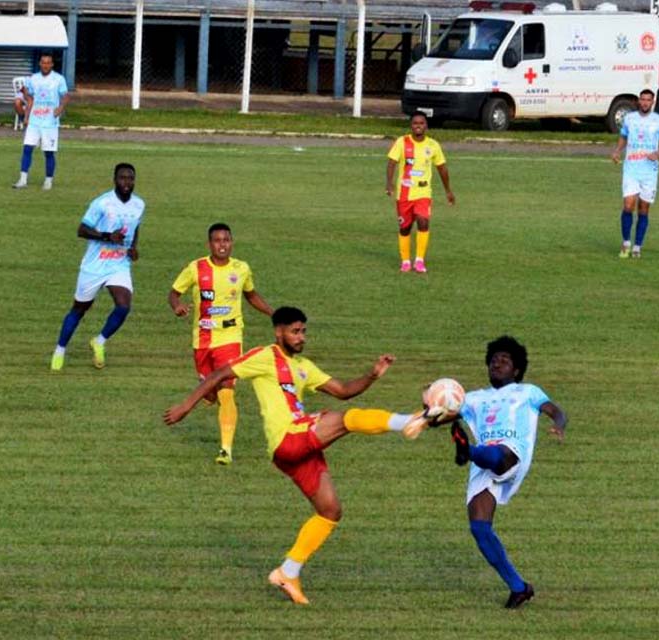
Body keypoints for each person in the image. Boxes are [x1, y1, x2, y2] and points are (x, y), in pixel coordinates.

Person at [164, 306, 433, 605]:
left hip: (299, 448)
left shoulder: (304, 365)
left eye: (303, 331)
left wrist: (372, 375)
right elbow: (219, 373)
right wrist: (186, 406)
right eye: (295, 331)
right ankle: (408, 420)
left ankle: (287, 572)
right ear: (278, 332)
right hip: (288, 438)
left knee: (330, 511)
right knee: (345, 419)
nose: (301, 337)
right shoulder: (264, 356)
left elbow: (342, 390)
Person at [449, 336, 567, 609]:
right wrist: (431, 405)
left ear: (516, 369)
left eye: (504, 359)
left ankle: (468, 451)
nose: (497, 363)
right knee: (479, 528)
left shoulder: (528, 391)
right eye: (493, 359)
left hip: (512, 451)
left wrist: (560, 425)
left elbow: (556, 412)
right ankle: (519, 587)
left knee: (497, 454)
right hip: (483, 463)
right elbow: (443, 413)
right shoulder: (474, 398)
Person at [168, 223, 273, 465]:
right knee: (210, 392)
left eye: (226, 240)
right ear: (209, 244)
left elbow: (251, 295)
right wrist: (177, 306)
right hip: (203, 339)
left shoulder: (242, 268)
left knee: (227, 391)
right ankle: (208, 391)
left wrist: (273, 313)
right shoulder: (196, 268)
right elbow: (173, 293)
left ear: (232, 242)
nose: (222, 244)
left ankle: (226, 449)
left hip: (231, 338)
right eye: (217, 240)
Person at [50, 164, 144, 371]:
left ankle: (99, 341)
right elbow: (81, 230)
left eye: (130, 178)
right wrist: (107, 237)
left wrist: (134, 248)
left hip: (119, 264)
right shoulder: (102, 203)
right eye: (122, 178)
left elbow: (136, 226)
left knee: (124, 305)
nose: (126, 183)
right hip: (94, 265)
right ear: (114, 179)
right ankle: (60, 350)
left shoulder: (139, 205)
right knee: (79, 309)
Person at [385, 111, 454, 273]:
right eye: (415, 123)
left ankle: (419, 260)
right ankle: (405, 261)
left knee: (423, 221)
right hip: (404, 193)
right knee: (405, 228)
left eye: (421, 123)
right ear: (411, 126)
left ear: (426, 126)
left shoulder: (433, 146)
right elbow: (391, 163)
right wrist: (389, 183)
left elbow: (442, 168)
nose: (418, 126)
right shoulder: (402, 142)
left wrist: (448, 190)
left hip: (423, 193)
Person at [612, 89, 659, 259]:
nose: (645, 103)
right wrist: (617, 151)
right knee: (628, 205)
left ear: (652, 102)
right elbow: (624, 136)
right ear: (639, 101)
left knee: (643, 209)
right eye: (642, 99)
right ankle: (626, 243)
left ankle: (637, 246)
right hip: (631, 168)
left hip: (649, 172)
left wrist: (658, 153)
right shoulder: (629, 119)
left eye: (648, 100)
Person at [13, 53, 69, 191]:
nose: (45, 65)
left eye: (48, 62)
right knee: (27, 148)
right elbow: (30, 99)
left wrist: (60, 108)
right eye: (43, 62)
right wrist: (26, 116)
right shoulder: (33, 79)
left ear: (52, 64)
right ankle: (23, 179)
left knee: (48, 153)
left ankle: (48, 180)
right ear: (40, 63)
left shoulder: (58, 79)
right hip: (35, 120)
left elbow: (66, 96)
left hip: (50, 122)